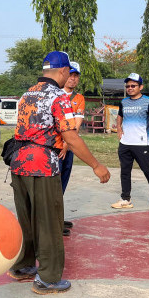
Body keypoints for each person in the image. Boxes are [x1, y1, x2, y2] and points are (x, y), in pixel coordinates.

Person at [8, 51, 110, 294]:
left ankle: (22, 266)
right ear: (63, 71)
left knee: (27, 219)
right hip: (43, 165)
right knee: (50, 223)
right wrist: (96, 165)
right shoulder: (59, 97)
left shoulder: (26, 94)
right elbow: (70, 137)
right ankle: (49, 278)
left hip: (18, 164)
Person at [111, 73, 149, 210]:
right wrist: (118, 128)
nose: (130, 88)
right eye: (128, 86)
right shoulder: (123, 102)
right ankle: (125, 199)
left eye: (133, 86)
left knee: (147, 170)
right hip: (125, 143)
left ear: (140, 87)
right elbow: (120, 116)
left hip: (141, 143)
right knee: (125, 171)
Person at [59, 61, 85, 236]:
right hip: (55, 147)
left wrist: (67, 144)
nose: (73, 79)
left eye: (76, 76)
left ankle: (57, 217)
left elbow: (76, 125)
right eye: (71, 75)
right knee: (52, 185)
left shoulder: (79, 98)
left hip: (69, 146)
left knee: (62, 183)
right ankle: (52, 222)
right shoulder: (56, 95)